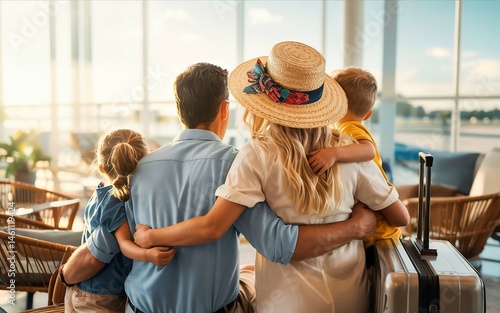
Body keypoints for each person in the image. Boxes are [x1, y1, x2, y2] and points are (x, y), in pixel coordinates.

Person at [134, 41, 410, 313]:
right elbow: (401, 218)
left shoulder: (255, 155)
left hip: (286, 302)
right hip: (350, 298)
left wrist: (150, 238)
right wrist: (361, 223)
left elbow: (218, 227)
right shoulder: (351, 151)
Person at [61, 129, 175, 312]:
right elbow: (123, 244)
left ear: (102, 168)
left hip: (96, 293)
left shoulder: (110, 194)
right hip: (97, 296)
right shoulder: (115, 199)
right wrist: (148, 255)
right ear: (145, 157)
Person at [307, 66, 402, 247]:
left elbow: (369, 150)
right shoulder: (345, 129)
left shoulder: (349, 128)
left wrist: (334, 154)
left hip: (381, 228)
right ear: (368, 114)